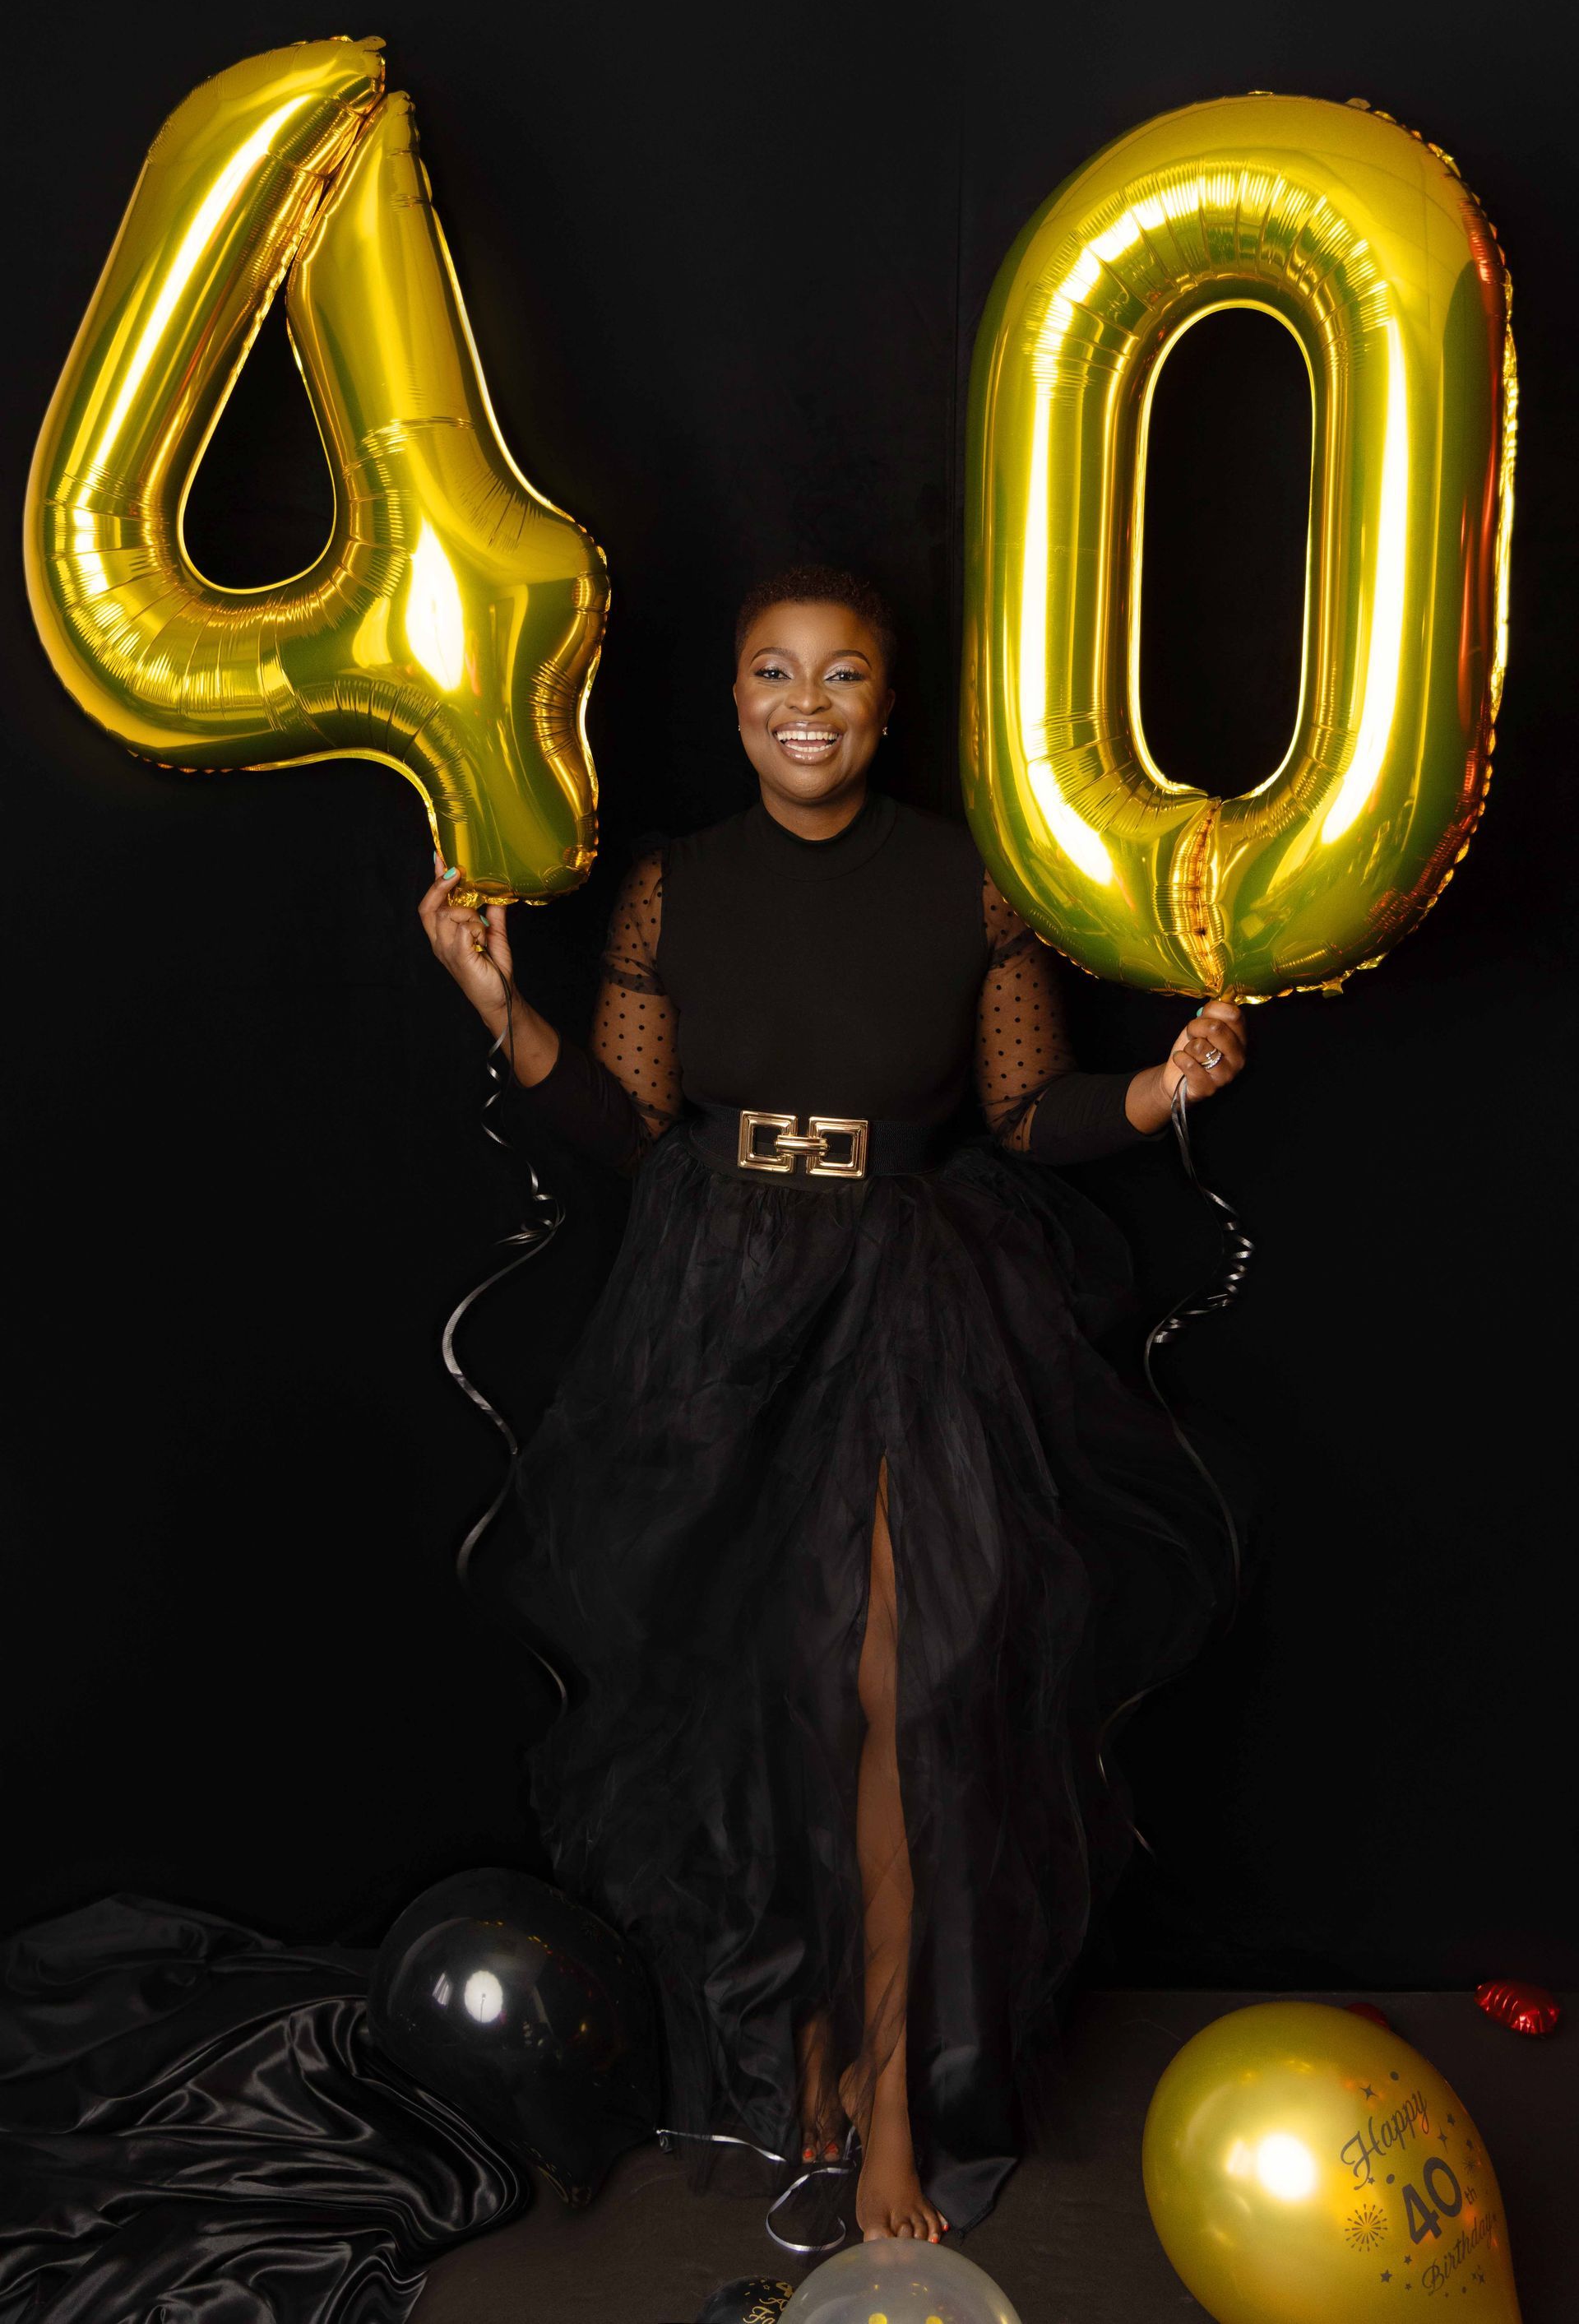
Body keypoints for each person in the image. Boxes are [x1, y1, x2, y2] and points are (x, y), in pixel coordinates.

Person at [419, 566, 1247, 2247]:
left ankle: (885, 2095)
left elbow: (1024, 1112)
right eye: (774, 675)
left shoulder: (970, 878)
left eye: (846, 674)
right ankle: (789, 2038)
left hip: (910, 1294)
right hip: (719, 1302)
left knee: (900, 1689)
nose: (809, 702)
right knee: (763, 1693)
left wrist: (1162, 1085)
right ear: (734, 704)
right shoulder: (676, 887)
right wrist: (505, 1010)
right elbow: (634, 1126)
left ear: (887, 702)